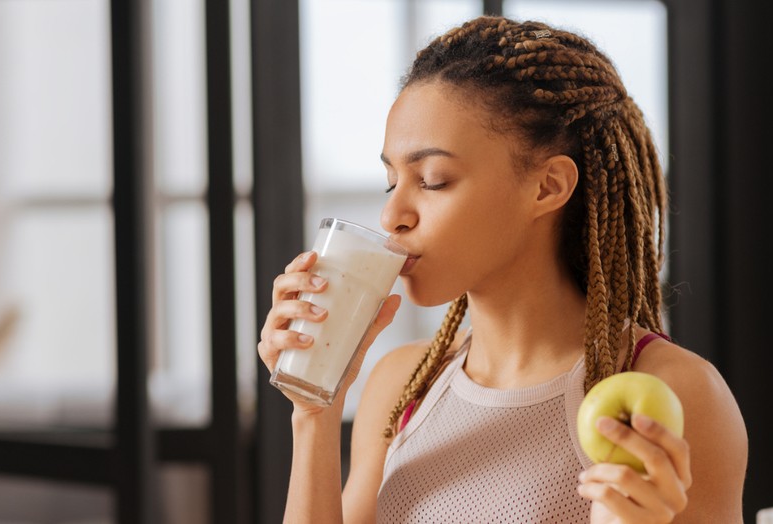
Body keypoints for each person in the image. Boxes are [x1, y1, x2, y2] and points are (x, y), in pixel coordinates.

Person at [258, 15, 747, 523]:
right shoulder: (403, 384)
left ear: (547, 187)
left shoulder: (675, 392)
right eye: (391, 181)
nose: (391, 216)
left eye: (432, 180)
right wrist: (314, 414)